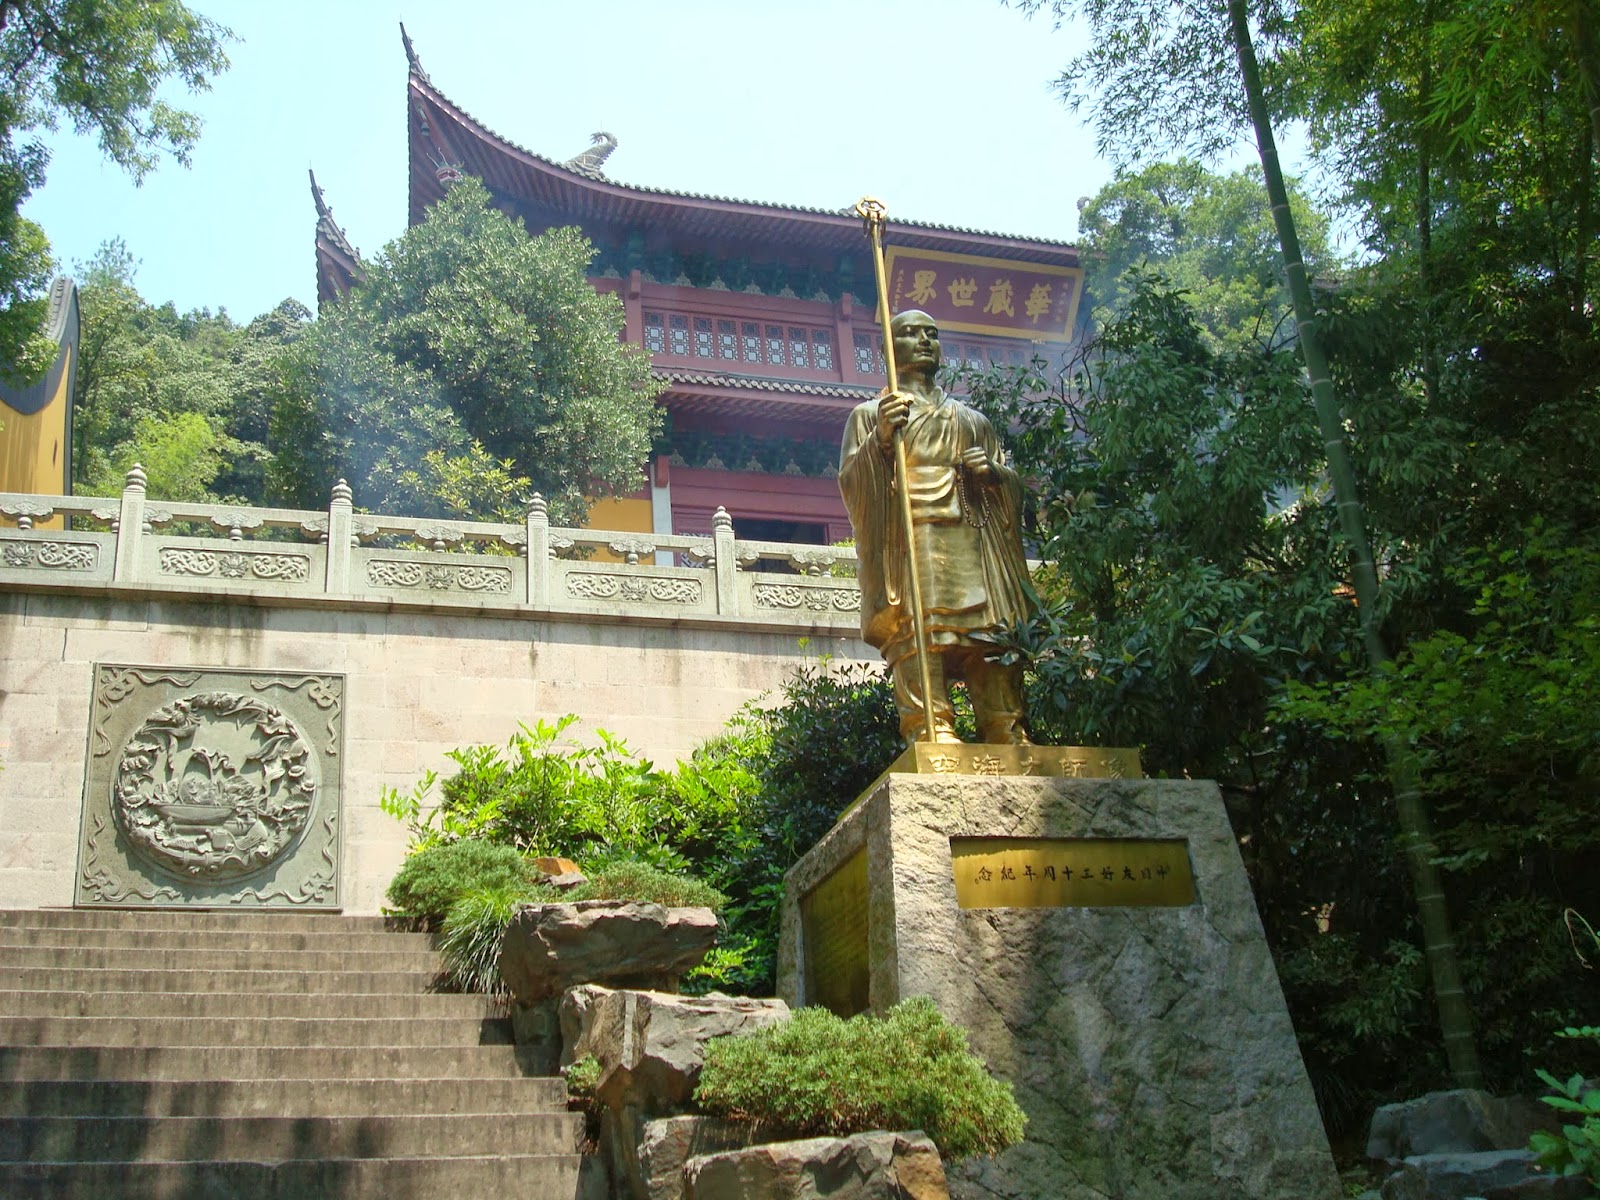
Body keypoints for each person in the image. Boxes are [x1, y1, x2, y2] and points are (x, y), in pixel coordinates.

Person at [839, 309, 1033, 746]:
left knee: (989, 630)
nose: (925, 341)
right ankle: (929, 724)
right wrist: (880, 440)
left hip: (970, 531)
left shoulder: (972, 421)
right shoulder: (870, 415)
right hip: (909, 533)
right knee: (918, 629)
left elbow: (1011, 488)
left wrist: (994, 476)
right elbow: (851, 483)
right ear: (888, 349)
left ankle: (1004, 723)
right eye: (911, 333)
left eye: (932, 334)